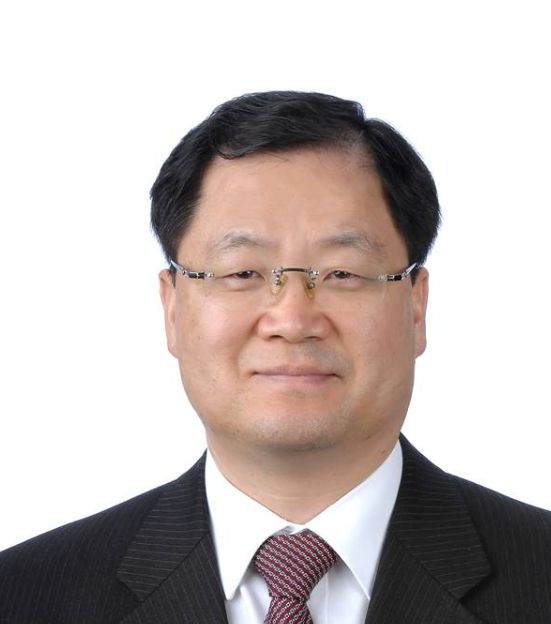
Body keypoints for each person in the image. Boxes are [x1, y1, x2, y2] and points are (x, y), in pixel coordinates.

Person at [0, 91, 550, 624]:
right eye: (242, 272)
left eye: (342, 273)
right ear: (172, 307)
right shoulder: (24, 594)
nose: (291, 319)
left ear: (415, 306)